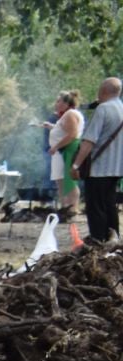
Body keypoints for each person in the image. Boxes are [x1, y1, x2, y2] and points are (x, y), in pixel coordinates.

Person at [73, 77, 123, 244]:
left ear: (103, 92)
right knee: (109, 204)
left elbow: (89, 141)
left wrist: (76, 165)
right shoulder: (121, 108)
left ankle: (98, 240)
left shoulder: (103, 109)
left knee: (95, 207)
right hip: (117, 167)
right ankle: (114, 239)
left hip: (98, 168)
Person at [48, 91, 84, 218]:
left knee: (69, 180)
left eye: (58, 101)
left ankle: (72, 208)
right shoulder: (66, 115)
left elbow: (72, 134)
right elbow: (63, 131)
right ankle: (65, 207)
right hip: (61, 152)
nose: (56, 104)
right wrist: (51, 127)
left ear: (65, 103)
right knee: (61, 180)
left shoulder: (70, 114)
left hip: (67, 150)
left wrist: (56, 146)